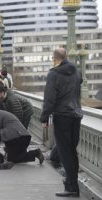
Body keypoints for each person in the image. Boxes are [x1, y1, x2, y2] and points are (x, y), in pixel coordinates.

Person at [40, 47, 83, 197]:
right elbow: (80, 83)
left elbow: (50, 98)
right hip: (76, 114)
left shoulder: (54, 74)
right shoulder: (76, 71)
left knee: (65, 152)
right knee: (72, 151)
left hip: (63, 115)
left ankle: (71, 187)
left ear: (54, 58)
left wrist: (44, 117)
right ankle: (73, 184)